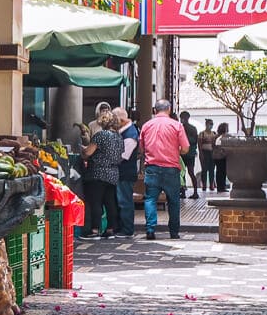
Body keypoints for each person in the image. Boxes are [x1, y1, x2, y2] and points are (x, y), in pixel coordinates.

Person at [140, 99, 188, 240]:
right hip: (171, 168)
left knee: (150, 199)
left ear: (155, 110)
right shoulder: (176, 125)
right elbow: (185, 148)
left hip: (152, 168)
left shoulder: (146, 126)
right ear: (169, 109)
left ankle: (150, 229)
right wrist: (174, 151)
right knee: (173, 201)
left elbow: (142, 148)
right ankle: (174, 232)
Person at [78, 110, 123, 240]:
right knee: (110, 202)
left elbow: (88, 152)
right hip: (113, 173)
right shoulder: (118, 137)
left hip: (98, 172)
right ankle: (110, 229)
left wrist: (83, 150)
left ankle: (94, 230)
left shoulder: (101, 135)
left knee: (96, 202)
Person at [113, 107, 139, 238]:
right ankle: (121, 228)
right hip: (120, 172)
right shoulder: (124, 132)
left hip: (125, 172)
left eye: (115, 120)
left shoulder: (130, 134)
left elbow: (123, 156)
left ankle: (127, 229)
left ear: (121, 120)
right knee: (120, 200)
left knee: (124, 201)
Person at [179, 111, 199, 200]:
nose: (182, 120)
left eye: (182, 118)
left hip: (185, 153)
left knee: (185, 172)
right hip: (188, 154)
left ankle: (188, 192)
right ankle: (189, 192)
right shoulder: (192, 128)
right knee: (187, 173)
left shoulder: (183, 128)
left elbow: (194, 141)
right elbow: (195, 141)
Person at [198, 119, 217, 191]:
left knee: (212, 170)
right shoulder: (201, 134)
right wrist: (201, 154)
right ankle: (204, 185)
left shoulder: (213, 134)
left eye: (212, 124)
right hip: (204, 152)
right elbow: (199, 145)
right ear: (206, 124)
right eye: (209, 124)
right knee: (204, 170)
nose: (211, 125)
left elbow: (215, 144)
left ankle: (212, 185)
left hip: (211, 153)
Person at [214, 122, 229, 193]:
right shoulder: (223, 136)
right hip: (222, 156)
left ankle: (220, 187)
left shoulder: (216, 136)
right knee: (222, 172)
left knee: (219, 172)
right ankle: (221, 187)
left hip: (216, 157)